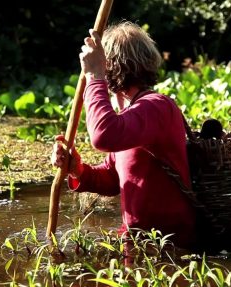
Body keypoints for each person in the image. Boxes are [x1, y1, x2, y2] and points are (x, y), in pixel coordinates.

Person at [51, 22, 196, 247]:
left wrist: (94, 76)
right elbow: (112, 178)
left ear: (110, 66)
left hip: (171, 245)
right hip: (138, 241)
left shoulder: (156, 106)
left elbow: (103, 136)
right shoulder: (129, 116)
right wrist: (76, 169)